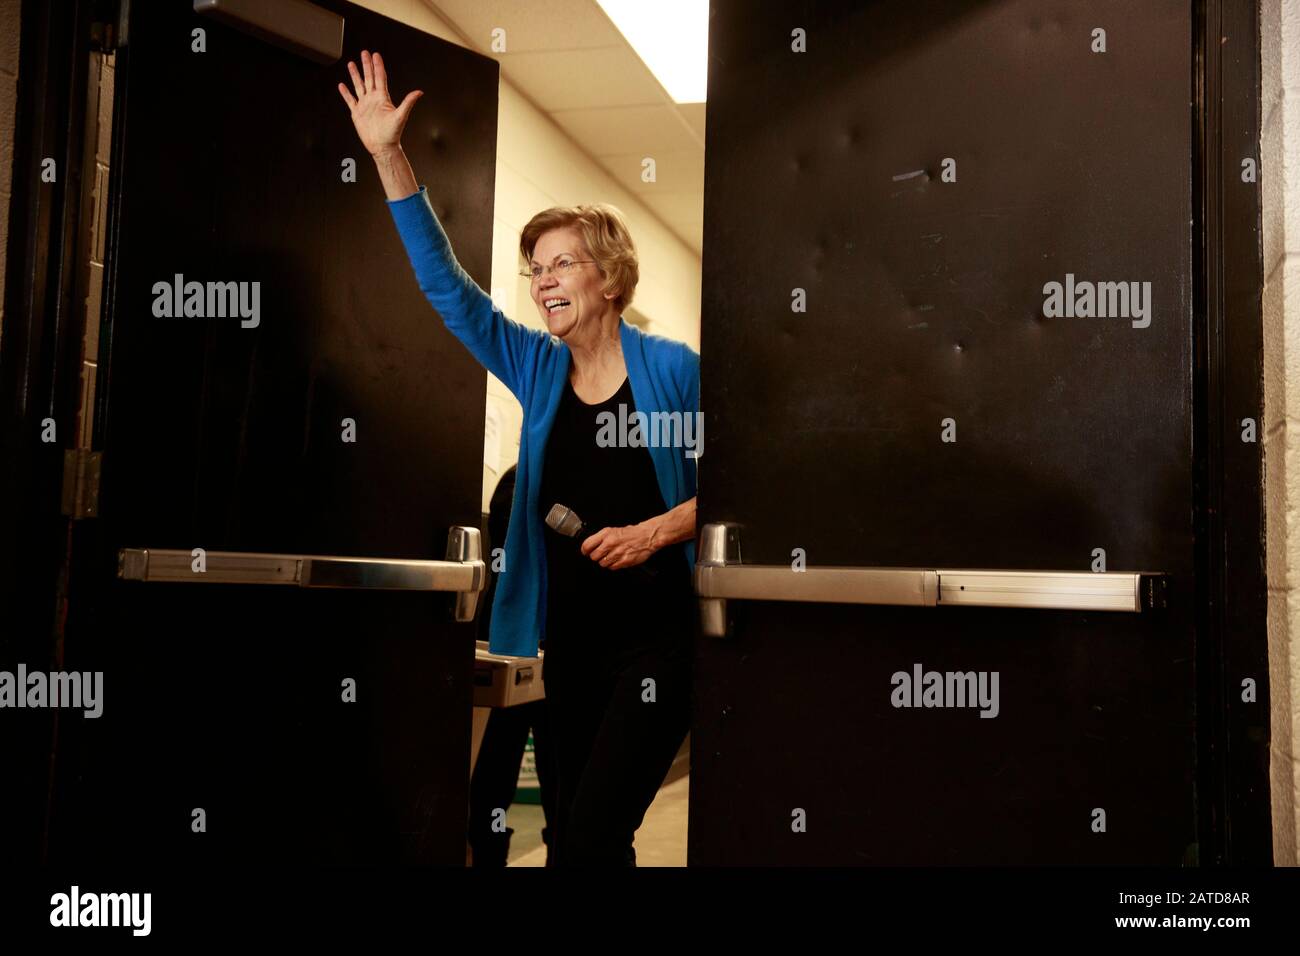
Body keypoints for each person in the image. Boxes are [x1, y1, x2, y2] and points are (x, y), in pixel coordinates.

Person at [338, 51, 700, 866]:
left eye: (561, 264)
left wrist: (651, 533)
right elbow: (449, 292)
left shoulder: (675, 370)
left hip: (660, 644)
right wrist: (388, 156)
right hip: (568, 644)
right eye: (534, 271)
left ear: (609, 277)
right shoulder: (537, 366)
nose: (541, 283)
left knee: (597, 828)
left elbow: (738, 493)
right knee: (578, 833)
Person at [467, 464, 557, 867]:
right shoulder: (522, 481)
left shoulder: (517, 481)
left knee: (536, 773)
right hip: (517, 645)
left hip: (526, 642)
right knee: (498, 774)